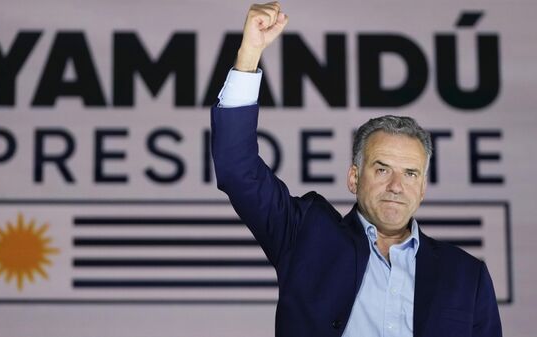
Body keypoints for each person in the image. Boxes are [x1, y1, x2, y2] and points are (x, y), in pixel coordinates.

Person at [210, 2, 502, 337]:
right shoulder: (306, 236)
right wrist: (250, 52)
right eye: (381, 169)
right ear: (354, 178)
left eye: (410, 174)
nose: (396, 185)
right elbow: (236, 167)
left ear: (423, 187)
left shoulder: (466, 275)